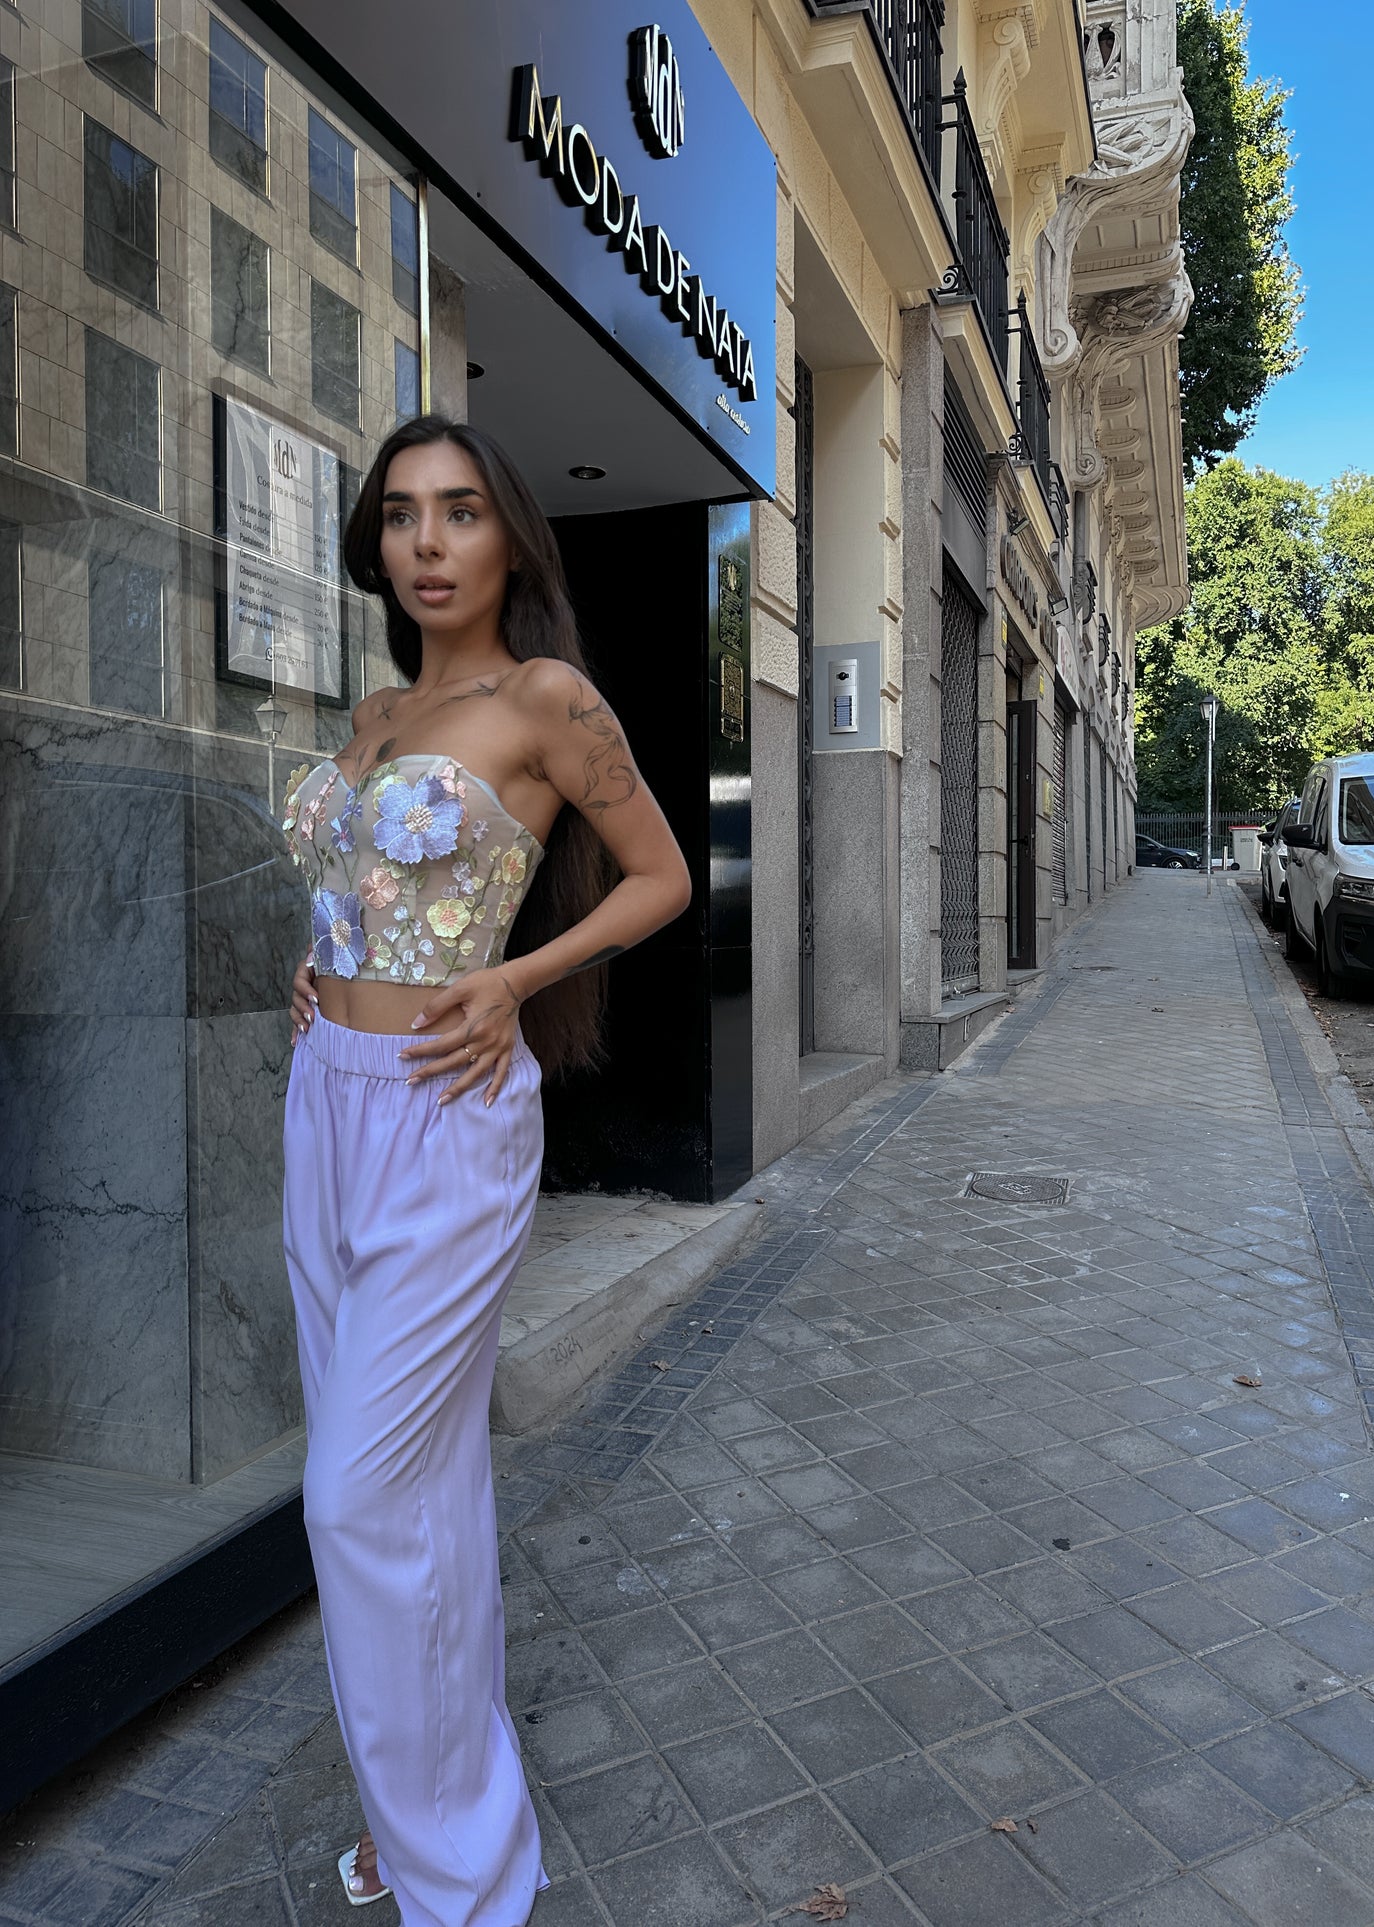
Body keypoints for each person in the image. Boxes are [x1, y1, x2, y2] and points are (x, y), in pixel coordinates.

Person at [279, 416, 691, 1923]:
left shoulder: (546, 700)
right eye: (399, 516)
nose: (428, 542)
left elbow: (662, 878)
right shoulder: (377, 711)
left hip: (447, 1118)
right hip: (325, 1105)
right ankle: (422, 1831)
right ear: (375, 545)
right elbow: (356, 882)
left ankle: (462, 1861)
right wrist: (314, 971)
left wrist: (517, 980)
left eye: (459, 512)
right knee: (416, 1500)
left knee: (355, 1503)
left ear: (511, 534)